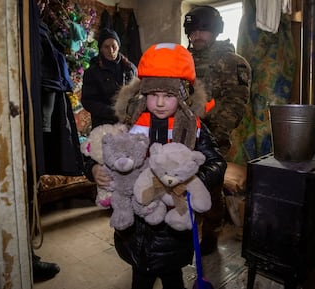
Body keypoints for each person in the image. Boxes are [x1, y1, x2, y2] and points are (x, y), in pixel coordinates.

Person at [84, 43, 227, 289]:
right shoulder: (130, 122)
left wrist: (190, 182)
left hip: (172, 228)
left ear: (182, 94)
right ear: (143, 93)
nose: (160, 103)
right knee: (141, 276)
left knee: (172, 277)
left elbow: (216, 162)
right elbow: (100, 150)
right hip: (135, 229)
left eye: (168, 95)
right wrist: (93, 170)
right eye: (153, 95)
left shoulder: (195, 128)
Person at [183, 5, 252, 255]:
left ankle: (210, 235)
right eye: (193, 31)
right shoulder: (183, 61)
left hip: (211, 140)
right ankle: (180, 232)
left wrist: (210, 138)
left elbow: (235, 105)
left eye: (203, 30)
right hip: (182, 137)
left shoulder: (233, 62)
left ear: (215, 31)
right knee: (178, 186)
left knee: (210, 189)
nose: (197, 35)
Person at [81, 28, 137, 129]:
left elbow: (138, 94)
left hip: (129, 123)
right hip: (104, 124)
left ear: (118, 47)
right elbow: (88, 101)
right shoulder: (92, 72)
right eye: (106, 47)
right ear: (101, 49)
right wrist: (113, 112)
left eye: (113, 46)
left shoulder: (130, 68)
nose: (111, 50)